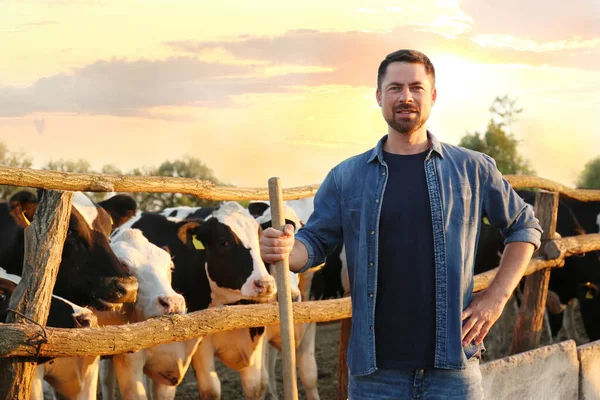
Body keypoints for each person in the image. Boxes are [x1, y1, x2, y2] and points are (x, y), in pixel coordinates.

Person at [260, 49, 542, 399]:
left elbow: (524, 226)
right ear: (379, 96)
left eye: (416, 87)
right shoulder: (347, 176)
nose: (405, 96)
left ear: (433, 96)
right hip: (376, 376)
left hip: (453, 369)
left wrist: (497, 297)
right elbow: (313, 243)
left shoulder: (472, 169)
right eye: (394, 88)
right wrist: (285, 248)